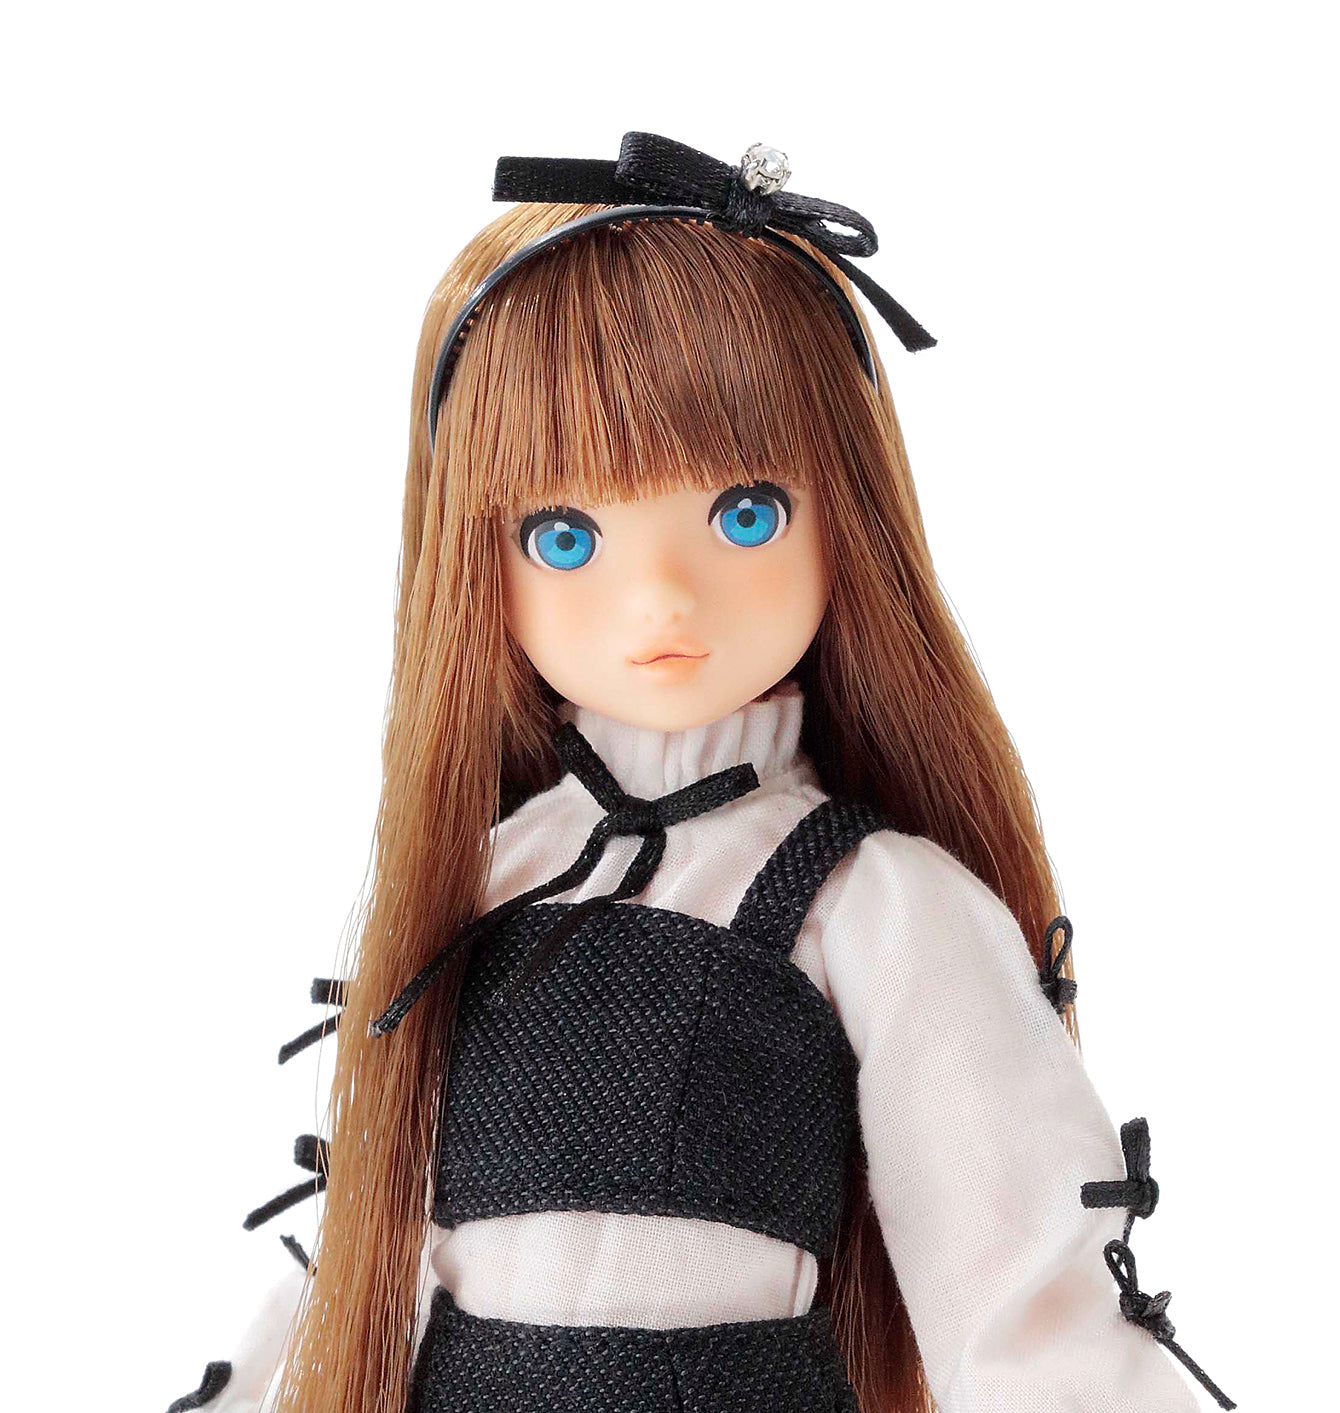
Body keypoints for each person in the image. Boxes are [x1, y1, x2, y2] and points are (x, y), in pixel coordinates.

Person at [163, 133, 1233, 1413]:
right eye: (565, 536)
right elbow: (354, 1256)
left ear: (846, 516)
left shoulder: (873, 903)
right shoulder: (483, 881)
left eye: (743, 514)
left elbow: (1019, 1288)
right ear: (472, 554)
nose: (660, 598)